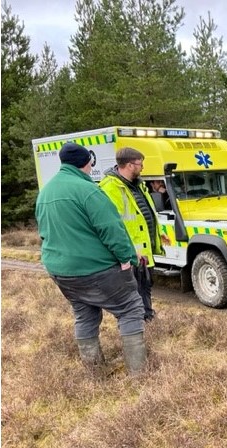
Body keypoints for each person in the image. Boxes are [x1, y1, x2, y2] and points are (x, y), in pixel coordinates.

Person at [35, 142, 148, 376]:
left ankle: (95, 372)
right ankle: (139, 374)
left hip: (61, 272)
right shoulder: (89, 190)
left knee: (84, 313)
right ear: (88, 163)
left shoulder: (46, 191)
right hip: (95, 269)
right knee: (130, 308)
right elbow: (112, 230)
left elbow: (45, 231)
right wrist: (128, 257)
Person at [99, 148, 168, 322]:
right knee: (133, 293)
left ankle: (147, 320)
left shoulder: (138, 185)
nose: (143, 167)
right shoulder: (110, 188)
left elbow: (144, 216)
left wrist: (157, 237)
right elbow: (112, 226)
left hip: (144, 253)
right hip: (129, 255)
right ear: (130, 165)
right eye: (140, 163)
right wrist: (127, 251)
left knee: (145, 287)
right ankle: (138, 325)